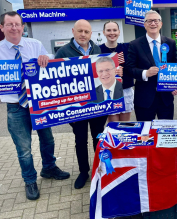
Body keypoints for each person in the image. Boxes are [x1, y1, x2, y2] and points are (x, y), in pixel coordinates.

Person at [0, 11, 70, 200]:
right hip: (15, 106)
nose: (14, 28)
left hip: (39, 103)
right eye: (9, 24)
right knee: (23, 149)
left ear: (23, 26)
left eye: (17, 24)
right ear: (1, 27)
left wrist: (47, 58)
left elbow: (50, 61)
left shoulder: (35, 44)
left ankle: (49, 168)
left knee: (48, 140)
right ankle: (30, 180)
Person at [55, 19, 104, 189]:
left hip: (97, 106)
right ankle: (84, 171)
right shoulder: (63, 51)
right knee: (80, 140)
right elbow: (57, 83)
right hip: (76, 108)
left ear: (91, 34)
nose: (83, 34)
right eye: (80, 31)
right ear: (73, 31)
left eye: (87, 31)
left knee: (98, 138)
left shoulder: (97, 49)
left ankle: (100, 169)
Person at [125, 10, 177, 121]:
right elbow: (129, 69)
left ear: (161, 24)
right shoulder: (135, 45)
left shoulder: (170, 43)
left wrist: (175, 85)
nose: (153, 23)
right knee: (146, 135)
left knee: (165, 133)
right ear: (144, 25)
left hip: (166, 99)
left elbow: (175, 65)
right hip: (144, 100)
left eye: (156, 20)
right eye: (149, 21)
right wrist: (146, 73)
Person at [100, 21, 134, 122]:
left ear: (119, 32)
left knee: (124, 125)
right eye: (109, 30)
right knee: (113, 125)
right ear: (104, 32)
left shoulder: (127, 48)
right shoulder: (99, 50)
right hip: (108, 92)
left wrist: (124, 71)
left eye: (114, 30)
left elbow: (133, 67)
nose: (112, 33)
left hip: (125, 89)